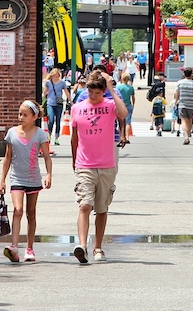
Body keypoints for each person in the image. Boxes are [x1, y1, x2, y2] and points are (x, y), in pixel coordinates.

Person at [70, 69, 127, 264]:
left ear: (103, 91)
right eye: (90, 92)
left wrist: (110, 88)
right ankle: (82, 246)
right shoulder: (77, 108)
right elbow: (74, 137)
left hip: (106, 164)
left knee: (101, 208)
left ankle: (98, 247)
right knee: (85, 204)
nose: (93, 96)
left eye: (97, 92)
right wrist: (74, 160)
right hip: (84, 163)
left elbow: (123, 113)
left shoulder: (110, 106)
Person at [0, 100, 53, 263]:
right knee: (18, 209)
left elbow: (47, 156)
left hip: (33, 179)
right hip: (17, 178)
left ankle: (29, 248)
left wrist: (48, 174)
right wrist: (2, 180)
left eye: (25, 115)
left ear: (34, 117)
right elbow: (7, 157)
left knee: (31, 213)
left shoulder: (40, 134)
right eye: (19, 114)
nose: (20, 117)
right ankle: (14, 246)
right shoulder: (12, 133)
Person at [174, 67, 193, 144]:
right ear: (191, 74)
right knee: (190, 120)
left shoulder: (179, 83)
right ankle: (188, 134)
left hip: (182, 104)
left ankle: (186, 137)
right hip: (191, 105)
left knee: (183, 120)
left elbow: (177, 94)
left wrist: (176, 102)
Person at [44, 68, 67, 146]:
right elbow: (44, 92)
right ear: (52, 76)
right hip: (50, 103)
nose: (56, 78)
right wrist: (41, 99)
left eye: (57, 76)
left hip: (59, 104)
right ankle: (49, 134)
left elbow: (66, 92)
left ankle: (57, 137)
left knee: (58, 121)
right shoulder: (48, 83)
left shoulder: (62, 83)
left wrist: (70, 101)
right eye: (54, 76)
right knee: (51, 120)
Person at [115, 71, 135, 147]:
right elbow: (133, 97)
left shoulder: (118, 87)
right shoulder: (131, 87)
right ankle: (127, 137)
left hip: (120, 105)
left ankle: (120, 137)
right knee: (128, 122)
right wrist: (133, 105)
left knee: (120, 121)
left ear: (122, 78)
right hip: (128, 105)